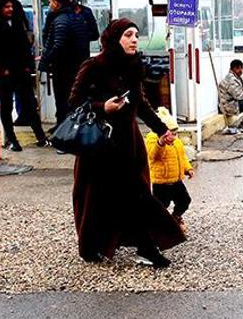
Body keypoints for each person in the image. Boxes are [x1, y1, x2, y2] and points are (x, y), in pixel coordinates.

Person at [68, 18, 185, 268]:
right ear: (114, 39)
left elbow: (141, 104)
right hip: (99, 147)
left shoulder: (133, 66)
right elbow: (74, 101)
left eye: (136, 35)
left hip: (128, 145)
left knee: (138, 195)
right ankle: (91, 247)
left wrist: (162, 130)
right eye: (128, 35)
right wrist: (103, 107)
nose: (134, 39)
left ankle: (146, 247)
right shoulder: (94, 66)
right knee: (95, 199)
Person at [0, 0, 48, 151]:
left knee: (29, 104)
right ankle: (12, 139)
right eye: (6, 7)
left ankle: (40, 136)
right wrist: (1, 69)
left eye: (11, 6)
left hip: (21, 72)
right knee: (6, 106)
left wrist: (28, 66)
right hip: (4, 74)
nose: (10, 9)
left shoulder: (17, 25)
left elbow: (25, 47)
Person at [39, 0, 92, 130]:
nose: (50, 5)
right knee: (75, 101)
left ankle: (64, 133)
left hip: (64, 69)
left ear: (56, 3)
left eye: (51, 2)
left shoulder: (60, 20)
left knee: (63, 102)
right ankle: (74, 129)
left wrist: (46, 60)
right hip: (78, 67)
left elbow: (58, 46)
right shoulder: (78, 18)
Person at [146, 107, 194, 235]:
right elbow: (153, 156)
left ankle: (176, 217)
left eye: (175, 133)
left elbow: (182, 157)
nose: (174, 136)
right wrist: (160, 143)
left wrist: (187, 168)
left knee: (184, 201)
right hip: (161, 182)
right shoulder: (152, 139)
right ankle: (155, 227)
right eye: (171, 133)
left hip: (176, 180)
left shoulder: (177, 142)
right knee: (161, 205)